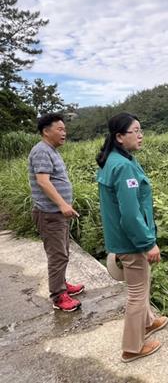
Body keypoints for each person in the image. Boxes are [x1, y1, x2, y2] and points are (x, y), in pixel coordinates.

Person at [96, 112, 168, 363]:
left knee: (142, 283)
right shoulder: (124, 166)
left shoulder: (117, 160)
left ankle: (147, 322)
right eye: (134, 131)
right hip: (131, 240)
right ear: (119, 137)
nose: (140, 135)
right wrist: (148, 243)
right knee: (137, 292)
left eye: (141, 129)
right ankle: (132, 348)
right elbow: (129, 214)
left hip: (123, 238)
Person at [28, 113, 84, 312]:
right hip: (49, 213)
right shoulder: (42, 151)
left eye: (64, 129)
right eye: (59, 129)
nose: (64, 133)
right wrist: (62, 204)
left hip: (55, 213)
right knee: (57, 255)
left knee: (63, 251)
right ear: (46, 131)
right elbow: (43, 181)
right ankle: (59, 296)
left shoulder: (51, 150)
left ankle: (62, 284)